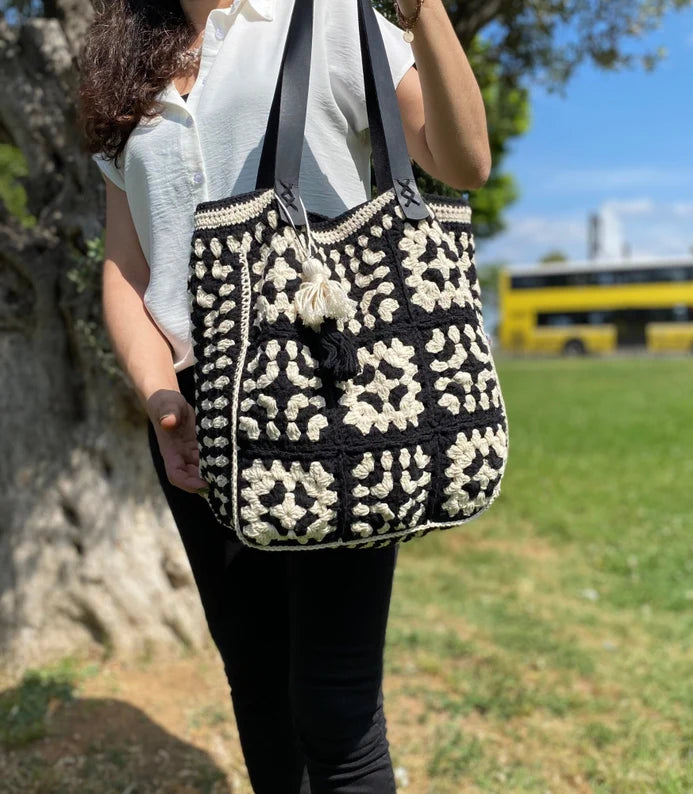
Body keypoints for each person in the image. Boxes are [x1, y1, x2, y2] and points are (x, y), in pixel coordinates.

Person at [77, 1, 490, 791]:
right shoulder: (124, 64)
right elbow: (127, 267)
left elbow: (462, 160)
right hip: (197, 413)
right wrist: (159, 393)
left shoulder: (331, 16)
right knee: (258, 686)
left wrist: (426, 11)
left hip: (332, 387)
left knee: (335, 707)